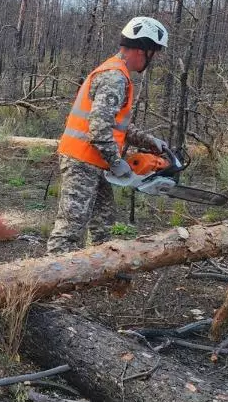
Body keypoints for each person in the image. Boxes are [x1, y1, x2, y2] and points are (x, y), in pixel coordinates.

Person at [46, 16, 169, 255]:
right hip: (81, 160)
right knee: (71, 226)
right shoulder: (114, 77)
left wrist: (150, 142)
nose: (153, 58)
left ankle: (98, 268)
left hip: (94, 159)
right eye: (153, 52)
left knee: (103, 221)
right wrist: (116, 161)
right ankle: (53, 281)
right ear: (142, 49)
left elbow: (114, 125)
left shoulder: (117, 73)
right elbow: (99, 127)